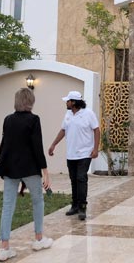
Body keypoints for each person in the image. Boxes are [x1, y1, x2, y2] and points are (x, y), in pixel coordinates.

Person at [0, 88, 53, 261]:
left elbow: (4, 144)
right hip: (30, 169)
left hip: (10, 169)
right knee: (37, 201)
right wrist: (45, 171)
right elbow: (37, 146)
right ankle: (39, 239)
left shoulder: (8, 119)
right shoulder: (34, 120)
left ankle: (4, 248)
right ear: (30, 102)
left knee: (7, 206)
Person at [48, 90, 100, 221]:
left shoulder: (88, 114)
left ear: (74, 102)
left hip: (85, 153)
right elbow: (63, 130)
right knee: (73, 179)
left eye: (68, 101)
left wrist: (95, 149)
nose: (66, 103)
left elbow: (96, 130)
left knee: (81, 178)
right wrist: (53, 144)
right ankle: (75, 205)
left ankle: (82, 207)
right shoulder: (68, 114)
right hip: (71, 154)